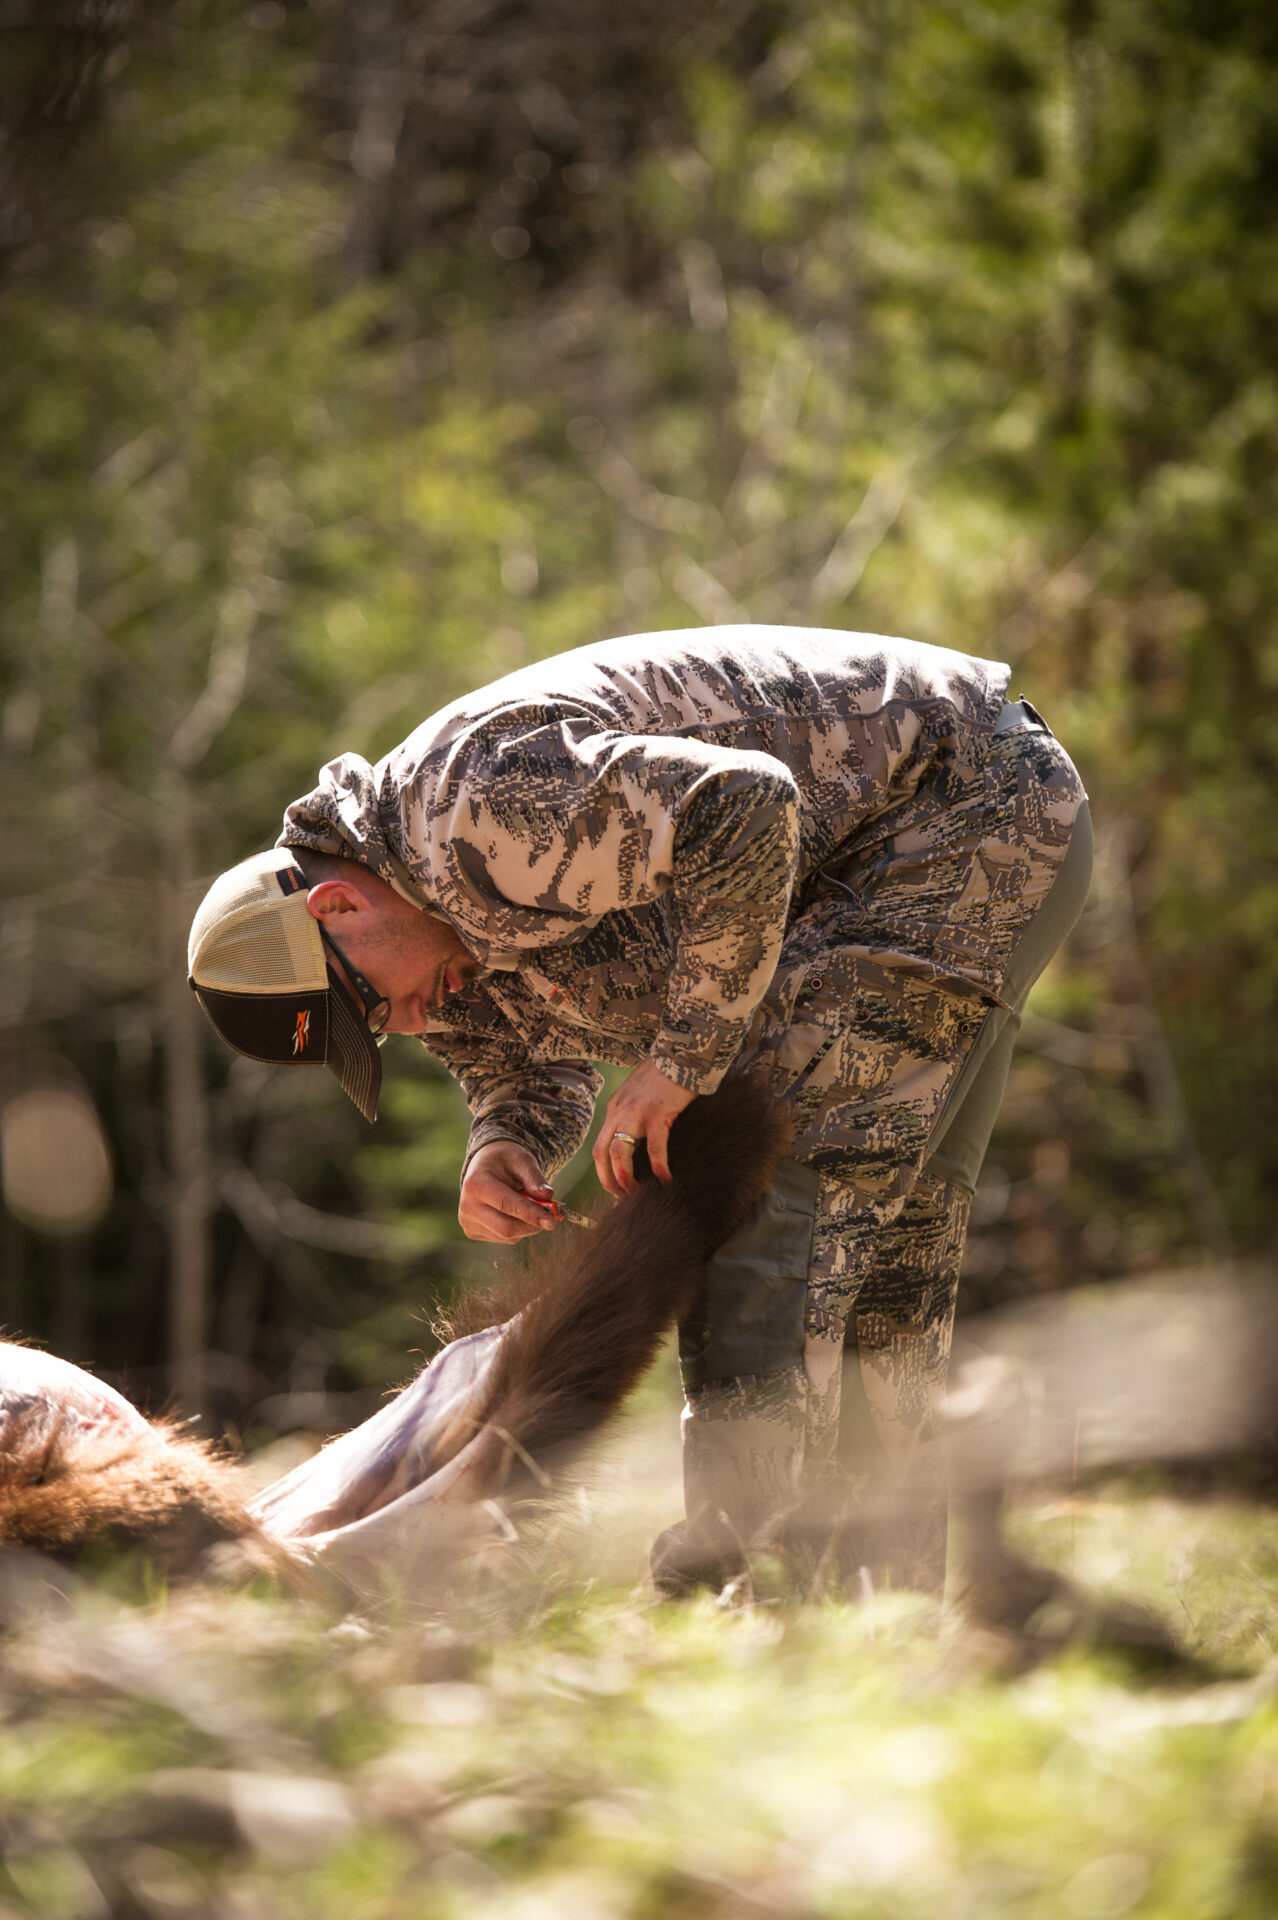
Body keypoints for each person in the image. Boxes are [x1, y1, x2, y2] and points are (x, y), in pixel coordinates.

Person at [188, 624, 1091, 1593]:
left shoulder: (472, 816)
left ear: (338, 910)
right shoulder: (435, 929)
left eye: (368, 1007)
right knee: (887, 1263)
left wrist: (683, 1060)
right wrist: (503, 1142)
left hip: (960, 808)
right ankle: (884, 1612)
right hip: (987, 823)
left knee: (764, 1175)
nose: (404, 1025)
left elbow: (747, 809)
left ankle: (751, 1589)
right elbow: (524, 1063)